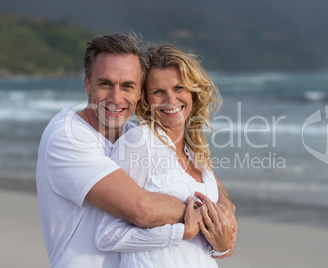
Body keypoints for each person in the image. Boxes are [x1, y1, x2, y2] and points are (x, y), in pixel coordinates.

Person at [36, 33, 237, 267]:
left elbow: (194, 175)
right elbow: (141, 208)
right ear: (87, 84)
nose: (116, 98)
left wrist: (225, 206)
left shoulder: (131, 133)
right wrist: (211, 217)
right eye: (105, 84)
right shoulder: (68, 137)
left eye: (128, 86)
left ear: (139, 92)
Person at [94, 43, 233, 267]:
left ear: (193, 91)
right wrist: (179, 232)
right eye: (158, 92)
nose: (170, 100)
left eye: (179, 88)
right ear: (146, 99)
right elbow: (107, 234)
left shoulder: (196, 150)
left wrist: (222, 245)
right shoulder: (138, 142)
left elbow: (206, 245)